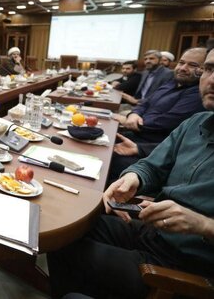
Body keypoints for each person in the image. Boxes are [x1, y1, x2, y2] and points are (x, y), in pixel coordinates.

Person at [48, 49, 214, 299]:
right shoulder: (195, 122)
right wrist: (133, 177)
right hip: (152, 231)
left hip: (184, 264)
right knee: (68, 232)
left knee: (71, 258)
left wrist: (204, 225)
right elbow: (151, 165)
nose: (212, 79)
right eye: (210, 69)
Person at [108, 48, 206, 183]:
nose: (183, 68)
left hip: (153, 146)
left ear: (204, 70)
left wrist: (134, 122)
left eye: (192, 65)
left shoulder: (198, 94)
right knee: (100, 138)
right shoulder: (171, 82)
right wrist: (134, 114)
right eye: (181, 62)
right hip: (137, 134)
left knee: (107, 161)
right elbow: (145, 103)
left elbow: (167, 121)